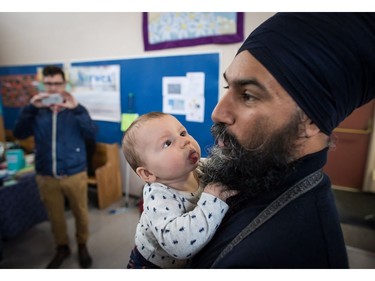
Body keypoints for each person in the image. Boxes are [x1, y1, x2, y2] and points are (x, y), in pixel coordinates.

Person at [189, 13, 375, 269]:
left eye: (248, 95)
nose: (218, 113)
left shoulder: (284, 257)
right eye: (227, 88)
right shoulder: (255, 171)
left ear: (310, 120)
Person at [122, 112, 234, 268]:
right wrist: (212, 198)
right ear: (148, 173)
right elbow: (180, 245)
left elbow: (225, 169)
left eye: (182, 133)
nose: (185, 141)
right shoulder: (158, 197)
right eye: (167, 143)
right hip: (152, 266)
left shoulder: (200, 167)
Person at [13, 65, 97, 269]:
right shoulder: (36, 111)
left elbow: (92, 132)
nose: (53, 88)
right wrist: (31, 107)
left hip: (74, 172)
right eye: (48, 83)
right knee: (55, 216)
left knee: (80, 213)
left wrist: (76, 108)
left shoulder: (76, 109)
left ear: (64, 84)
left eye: (57, 83)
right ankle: (62, 247)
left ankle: (82, 245)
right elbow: (19, 133)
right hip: (46, 174)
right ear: (43, 84)